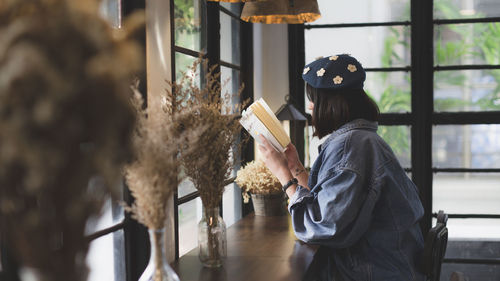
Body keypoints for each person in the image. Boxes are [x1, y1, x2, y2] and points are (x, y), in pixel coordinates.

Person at [258, 54, 425, 281]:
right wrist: (295, 166)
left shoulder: (351, 147)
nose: (309, 105)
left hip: (375, 270)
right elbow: (328, 200)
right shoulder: (361, 139)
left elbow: (321, 227)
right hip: (390, 264)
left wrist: (283, 176)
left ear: (332, 103)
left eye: (314, 98)